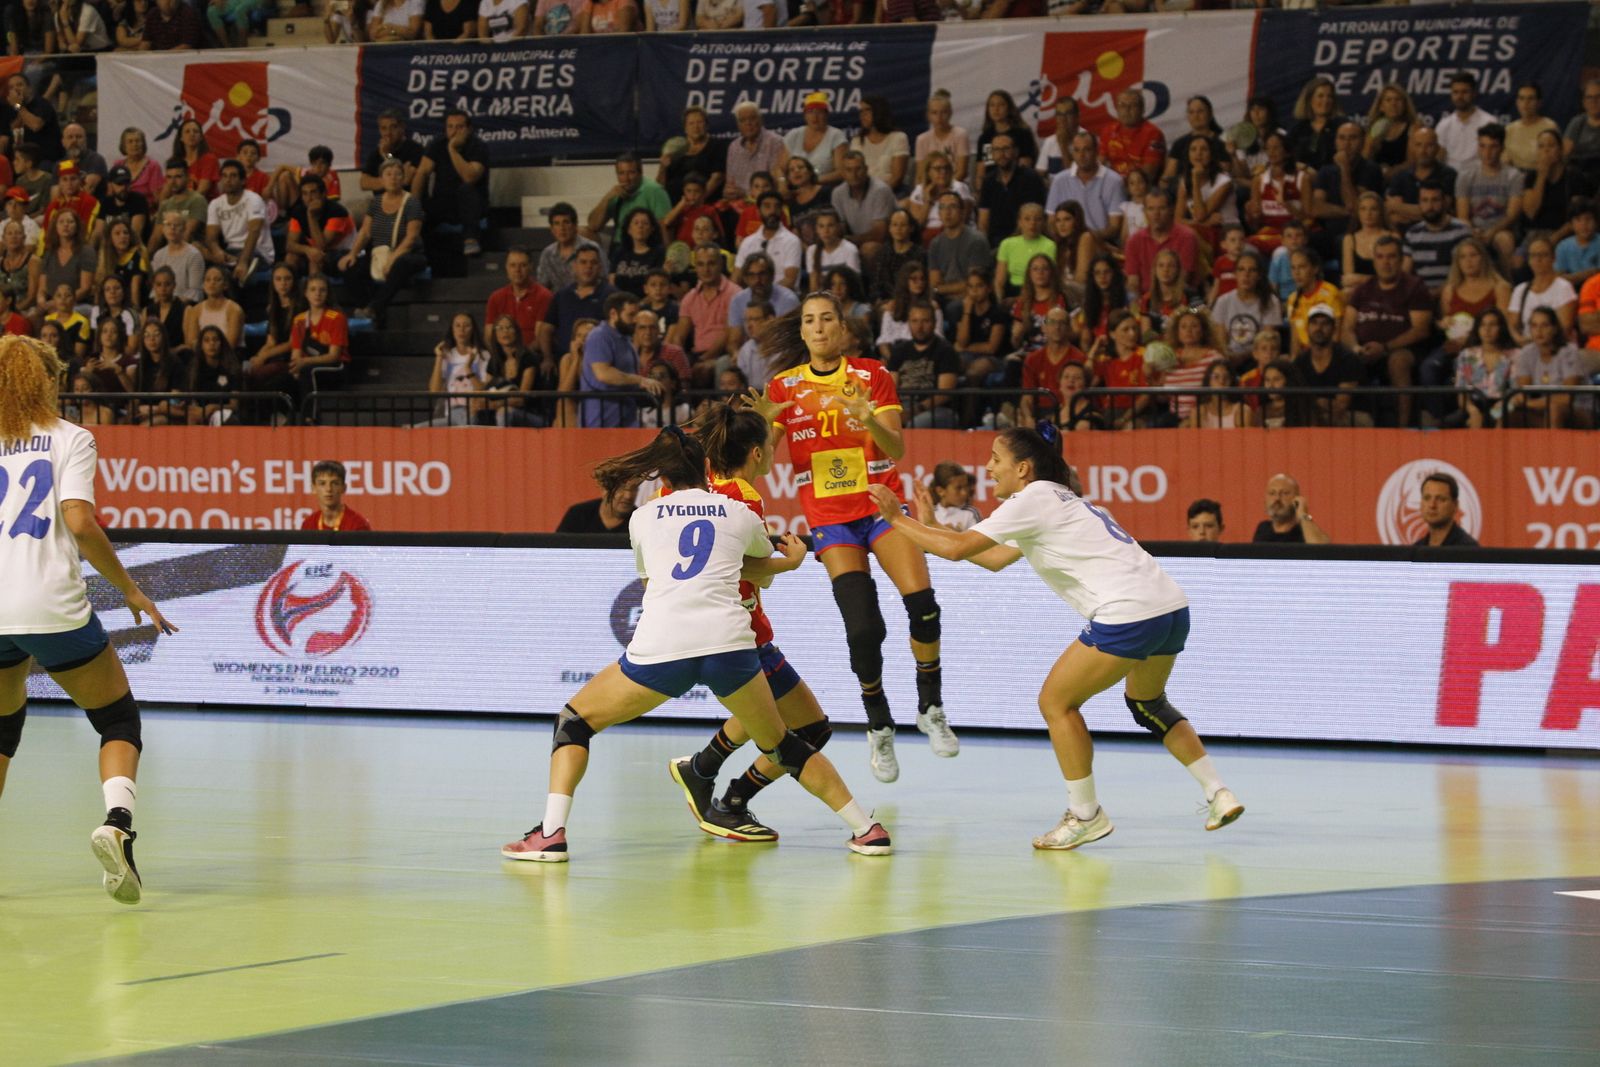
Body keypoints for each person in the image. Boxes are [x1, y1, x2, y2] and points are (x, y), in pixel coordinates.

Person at [502, 427, 892, 862]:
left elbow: (652, 580)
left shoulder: (644, 517)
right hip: (730, 644)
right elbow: (757, 570)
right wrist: (794, 561)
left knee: (574, 722)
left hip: (663, 648)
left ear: (660, 476)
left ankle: (551, 835)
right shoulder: (738, 511)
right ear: (706, 467)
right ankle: (866, 829)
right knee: (783, 743)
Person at [866, 427, 1243, 849]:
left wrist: (898, 521)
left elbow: (958, 549)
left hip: (1128, 615)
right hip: (1171, 609)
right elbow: (991, 559)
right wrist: (929, 526)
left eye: (995, 459)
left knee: (1055, 703)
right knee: (1148, 703)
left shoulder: (1031, 499)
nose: (988, 468)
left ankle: (1085, 815)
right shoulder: (1070, 501)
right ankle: (1218, 793)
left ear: (1022, 468)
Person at [750, 290, 958, 782]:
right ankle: (879, 724)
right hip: (831, 519)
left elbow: (898, 447)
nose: (819, 328)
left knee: (923, 605)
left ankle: (930, 706)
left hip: (881, 505)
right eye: (810, 321)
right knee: (863, 628)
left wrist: (868, 420)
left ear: (842, 329)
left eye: (827, 320)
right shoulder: (783, 387)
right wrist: (760, 428)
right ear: (801, 332)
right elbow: (759, 464)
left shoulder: (872, 375)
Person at [0, 335, 177, 904]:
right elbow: (78, 521)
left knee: (2, 733)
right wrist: (129, 589)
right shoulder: (71, 437)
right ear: (48, 379)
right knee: (118, 721)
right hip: (50, 605)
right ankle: (117, 824)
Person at [667, 406, 844, 841]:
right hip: (742, 627)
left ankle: (703, 770)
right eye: (769, 444)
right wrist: (792, 561)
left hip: (718, 621)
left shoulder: (705, 485)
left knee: (769, 714)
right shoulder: (744, 496)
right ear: (757, 452)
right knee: (809, 729)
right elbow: (750, 568)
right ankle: (727, 797)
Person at [1341, 234, 1432, 427]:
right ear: (1374, 260)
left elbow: (1420, 330)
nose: (1386, 262)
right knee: (1344, 358)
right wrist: (1357, 348)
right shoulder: (1362, 289)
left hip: (1406, 349)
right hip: (1366, 349)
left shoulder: (1415, 287)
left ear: (1400, 260)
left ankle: (1403, 426)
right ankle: (1343, 422)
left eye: (1391, 256)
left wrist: (1385, 347)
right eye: (1380, 257)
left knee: (1397, 361)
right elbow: (1347, 328)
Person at [339, 159, 426, 327]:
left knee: (402, 264)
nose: (393, 178)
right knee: (349, 267)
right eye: (388, 174)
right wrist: (353, 254)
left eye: (398, 174)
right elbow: (365, 232)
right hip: (380, 254)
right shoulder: (376, 203)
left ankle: (375, 307)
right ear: (381, 179)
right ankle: (366, 305)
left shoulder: (412, 202)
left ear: (403, 179)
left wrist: (392, 260)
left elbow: (411, 238)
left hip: (407, 255)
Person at [580, 291, 663, 428]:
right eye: (631, 315)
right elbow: (603, 373)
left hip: (626, 417)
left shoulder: (626, 339)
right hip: (600, 420)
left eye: (636, 314)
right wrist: (641, 380)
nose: (635, 320)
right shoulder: (599, 336)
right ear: (613, 314)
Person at [413, 109, 489, 256]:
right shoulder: (437, 144)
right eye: (450, 127)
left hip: (470, 206)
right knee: (417, 199)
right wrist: (414, 207)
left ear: (469, 129)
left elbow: (470, 177)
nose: (454, 132)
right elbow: (422, 172)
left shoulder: (478, 146)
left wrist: (452, 150)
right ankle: (415, 245)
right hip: (444, 203)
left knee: (466, 188)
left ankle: (471, 240)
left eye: (459, 127)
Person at [886, 300, 960, 428]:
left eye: (925, 321)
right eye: (914, 321)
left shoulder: (945, 350)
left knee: (915, 424)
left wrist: (915, 410)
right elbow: (891, 387)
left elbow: (944, 394)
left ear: (934, 323)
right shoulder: (899, 350)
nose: (919, 327)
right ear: (908, 323)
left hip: (934, 409)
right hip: (903, 406)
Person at [1511, 305, 1586, 429]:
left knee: (1554, 409)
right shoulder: (1526, 353)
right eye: (1534, 326)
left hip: (1578, 410)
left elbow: (1566, 398)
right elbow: (1523, 392)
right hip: (1540, 410)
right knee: (1508, 413)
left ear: (1555, 328)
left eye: (1544, 325)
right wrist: (1519, 401)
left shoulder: (1569, 352)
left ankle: (1552, 448)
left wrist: (1529, 403)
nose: (1539, 331)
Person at [202, 160, 272, 286]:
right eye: (225, 176)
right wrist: (217, 251)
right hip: (231, 252)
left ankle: (235, 273)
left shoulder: (253, 199)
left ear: (243, 180)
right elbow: (211, 237)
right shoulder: (215, 204)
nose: (228, 180)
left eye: (233, 176)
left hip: (257, 252)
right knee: (200, 254)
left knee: (229, 274)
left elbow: (254, 232)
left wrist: (243, 261)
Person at [1296, 303, 1365, 427]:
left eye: (1325, 324)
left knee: (1318, 421)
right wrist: (1319, 403)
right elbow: (1296, 401)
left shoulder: (1347, 358)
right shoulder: (1300, 360)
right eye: (1314, 323)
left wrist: (1312, 403)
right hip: (1315, 414)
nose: (1319, 328)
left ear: (1334, 328)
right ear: (1307, 328)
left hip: (1352, 415)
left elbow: (1341, 405)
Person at [586, 153, 670, 251]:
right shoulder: (616, 192)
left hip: (646, 247)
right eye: (621, 173)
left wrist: (667, 254)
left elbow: (665, 227)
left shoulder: (655, 190)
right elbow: (593, 226)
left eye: (631, 173)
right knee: (583, 232)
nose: (626, 178)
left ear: (640, 172)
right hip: (619, 247)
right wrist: (607, 198)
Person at [1125, 188, 1199, 296]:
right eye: (1151, 209)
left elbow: (1184, 279)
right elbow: (1133, 282)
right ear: (1144, 211)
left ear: (1171, 210)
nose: (1156, 214)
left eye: (1162, 208)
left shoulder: (1187, 237)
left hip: (1182, 299)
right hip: (1146, 301)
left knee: (1195, 308)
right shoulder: (1134, 240)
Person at [1386, 128, 1458, 230]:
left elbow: (1438, 212)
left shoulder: (1448, 175)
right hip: (1405, 235)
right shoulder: (1400, 176)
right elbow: (1393, 217)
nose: (1423, 151)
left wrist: (1395, 206)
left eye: (1429, 145)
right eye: (1418, 145)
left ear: (1437, 148)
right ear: (1412, 148)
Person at [284, 174, 354, 277]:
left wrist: (311, 216)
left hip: (343, 253)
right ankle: (291, 292)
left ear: (323, 194)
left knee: (315, 260)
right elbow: (289, 245)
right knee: (291, 258)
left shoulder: (337, 212)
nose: (309, 198)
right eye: (305, 194)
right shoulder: (298, 212)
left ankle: (315, 291)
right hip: (317, 251)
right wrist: (307, 250)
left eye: (313, 193)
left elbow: (322, 246)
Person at [537, 202, 608, 292]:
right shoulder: (547, 254)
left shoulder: (593, 249)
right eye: (557, 223)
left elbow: (605, 281)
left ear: (575, 226)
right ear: (552, 229)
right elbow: (542, 288)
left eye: (566, 222)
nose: (562, 228)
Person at [1099, 88, 1164, 184]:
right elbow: (1100, 165)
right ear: (1116, 109)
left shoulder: (1153, 133)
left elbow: (1148, 175)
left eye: (1133, 105)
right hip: (1112, 185)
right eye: (1122, 105)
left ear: (1142, 109)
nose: (1127, 110)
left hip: (1139, 188)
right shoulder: (1108, 130)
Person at [1434, 72, 1493, 172]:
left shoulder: (1488, 122)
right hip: (1450, 179)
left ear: (1474, 93)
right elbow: (1439, 158)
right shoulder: (1444, 125)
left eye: (1465, 92)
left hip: (1479, 178)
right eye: (1455, 92)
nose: (1460, 97)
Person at [1252, 473, 1330, 544]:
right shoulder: (1263, 529)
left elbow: (1322, 550)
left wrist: (1303, 514)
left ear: (1297, 499)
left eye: (1285, 493)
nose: (1277, 498)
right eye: (1272, 493)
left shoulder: (1304, 531)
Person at [915, 91, 970, 185]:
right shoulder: (922, 139)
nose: (939, 117)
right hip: (930, 187)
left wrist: (943, 189)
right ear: (928, 115)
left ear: (950, 113)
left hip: (955, 185)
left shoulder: (960, 134)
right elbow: (920, 174)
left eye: (943, 112)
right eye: (934, 113)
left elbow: (961, 172)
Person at [301, 460, 371, 531]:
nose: (328, 489)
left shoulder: (358, 524)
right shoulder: (308, 524)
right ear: (313, 488)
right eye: (322, 483)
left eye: (334, 483)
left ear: (344, 488)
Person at [150, 212, 203, 303]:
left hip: (185, 305)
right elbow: (156, 288)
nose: (172, 228)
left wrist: (173, 306)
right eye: (168, 224)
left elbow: (195, 291)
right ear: (163, 229)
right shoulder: (158, 255)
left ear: (184, 229)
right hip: (162, 304)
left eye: (177, 225)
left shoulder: (194, 255)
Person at [1416, 472, 1478, 547]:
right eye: (1427, 498)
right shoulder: (1416, 549)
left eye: (1441, 499)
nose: (1432, 505)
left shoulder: (1467, 548)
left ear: (1455, 505)